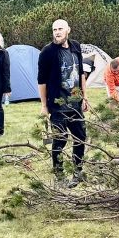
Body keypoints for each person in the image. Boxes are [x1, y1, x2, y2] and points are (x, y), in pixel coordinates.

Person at [37, 18, 88, 186]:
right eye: (54, 29)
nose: (57, 32)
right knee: (60, 139)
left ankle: (77, 171)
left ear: (68, 30)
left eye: (60, 29)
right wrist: (44, 106)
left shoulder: (75, 47)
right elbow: (42, 81)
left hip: (75, 102)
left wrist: (84, 97)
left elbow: (81, 74)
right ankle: (59, 177)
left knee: (80, 137)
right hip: (57, 104)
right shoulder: (48, 52)